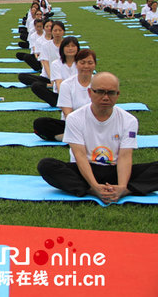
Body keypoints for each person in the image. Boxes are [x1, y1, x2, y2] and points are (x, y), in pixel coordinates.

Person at [38, 72, 158, 203]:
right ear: (90, 93)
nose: (105, 97)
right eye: (100, 92)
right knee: (46, 165)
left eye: (111, 93)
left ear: (118, 95)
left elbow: (125, 156)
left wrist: (123, 187)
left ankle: (126, 190)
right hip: (85, 170)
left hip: (115, 170)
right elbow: (80, 156)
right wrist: (94, 187)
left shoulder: (129, 120)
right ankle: (89, 189)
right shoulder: (75, 118)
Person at [33, 49, 96, 141]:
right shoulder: (67, 84)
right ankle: (80, 137)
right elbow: (68, 114)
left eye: (90, 63)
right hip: (73, 124)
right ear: (76, 64)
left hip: (96, 124)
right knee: (40, 123)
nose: (86, 66)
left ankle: (72, 138)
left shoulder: (101, 83)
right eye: (82, 63)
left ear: (95, 65)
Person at [30, 36, 79, 107]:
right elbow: (59, 83)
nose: (70, 48)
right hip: (62, 95)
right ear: (62, 49)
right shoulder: (56, 63)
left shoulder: (81, 63)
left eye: (73, 46)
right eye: (67, 46)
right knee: (36, 86)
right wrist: (65, 100)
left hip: (78, 95)